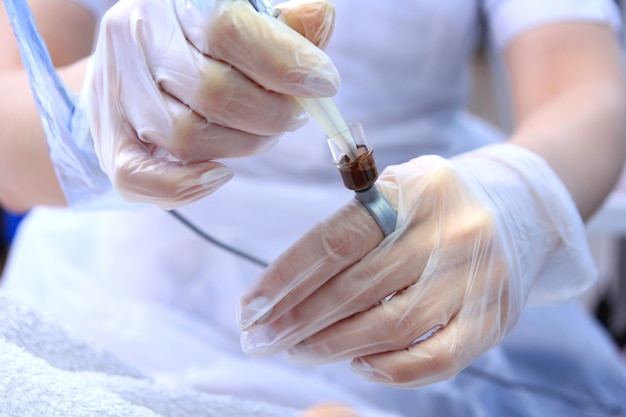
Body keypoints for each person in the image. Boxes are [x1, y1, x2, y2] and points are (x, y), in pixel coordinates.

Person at [1, 0, 626, 416]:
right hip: (121, 297)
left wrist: (519, 194)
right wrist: (97, 104)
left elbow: (589, 90)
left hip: (427, 266)